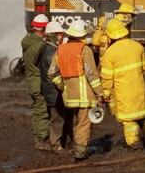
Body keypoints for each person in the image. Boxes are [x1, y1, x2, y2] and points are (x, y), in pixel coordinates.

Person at [48, 19, 104, 160]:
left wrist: (62, 85)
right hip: (85, 96)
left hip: (69, 97)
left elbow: (52, 73)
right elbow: (92, 75)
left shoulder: (60, 49)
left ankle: (75, 147)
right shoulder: (85, 50)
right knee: (84, 124)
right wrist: (100, 93)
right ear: (82, 35)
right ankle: (79, 153)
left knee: (75, 122)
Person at [100, 18, 145, 150]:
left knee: (129, 121)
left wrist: (106, 93)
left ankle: (135, 146)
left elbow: (107, 78)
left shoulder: (109, 53)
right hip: (140, 91)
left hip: (124, 94)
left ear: (110, 35)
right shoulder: (137, 46)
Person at [22, 14, 55, 151]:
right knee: (42, 111)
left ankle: (37, 137)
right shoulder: (40, 46)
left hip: (31, 81)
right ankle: (42, 140)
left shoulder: (27, 41)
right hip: (38, 82)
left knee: (36, 110)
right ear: (44, 29)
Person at [38, 20, 73, 151]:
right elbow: (56, 73)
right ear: (52, 35)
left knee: (60, 117)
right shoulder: (52, 52)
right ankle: (56, 145)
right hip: (55, 92)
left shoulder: (47, 48)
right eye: (59, 34)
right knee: (58, 119)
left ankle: (62, 142)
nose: (61, 37)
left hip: (50, 91)